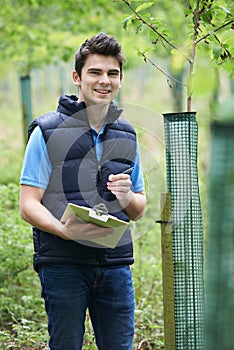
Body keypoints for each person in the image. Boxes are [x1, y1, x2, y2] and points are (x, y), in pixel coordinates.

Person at [19, 32, 146, 350]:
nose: (105, 80)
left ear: (120, 79)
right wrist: (63, 230)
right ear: (77, 77)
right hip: (63, 263)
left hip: (115, 265)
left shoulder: (128, 135)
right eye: (95, 72)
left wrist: (127, 197)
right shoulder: (46, 131)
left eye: (112, 73)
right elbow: (28, 204)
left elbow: (139, 207)